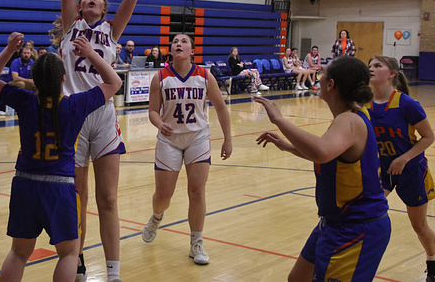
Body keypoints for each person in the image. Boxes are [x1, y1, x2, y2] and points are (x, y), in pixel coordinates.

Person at [0, 32, 122, 282]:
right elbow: (114, 83)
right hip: (60, 188)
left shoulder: (24, 100)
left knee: (18, 253)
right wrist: (90, 54)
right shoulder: (75, 104)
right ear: (64, 79)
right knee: (68, 254)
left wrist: (9, 50)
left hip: (25, 184)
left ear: (34, 80)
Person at [55, 0, 138, 282]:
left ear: (103, 9)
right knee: (78, 197)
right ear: (79, 6)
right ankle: (78, 262)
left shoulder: (111, 31)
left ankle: (113, 272)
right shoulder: (70, 25)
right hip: (72, 113)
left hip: (103, 116)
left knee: (107, 198)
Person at [255, 56, 391, 281]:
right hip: (335, 222)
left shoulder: (349, 120)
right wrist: (288, 146)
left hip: (357, 227)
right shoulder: (350, 116)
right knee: (297, 278)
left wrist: (279, 120)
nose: (318, 78)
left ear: (331, 84)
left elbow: (321, 151)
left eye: (322, 74)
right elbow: (330, 155)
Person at [142, 34, 232, 265]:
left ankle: (196, 243)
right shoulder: (160, 77)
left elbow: (221, 108)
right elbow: (152, 111)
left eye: (183, 41)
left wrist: (227, 139)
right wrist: (159, 123)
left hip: (197, 138)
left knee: (197, 191)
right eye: (175, 42)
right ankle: (157, 216)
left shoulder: (204, 75)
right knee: (163, 196)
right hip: (169, 140)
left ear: (192, 51)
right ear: (171, 50)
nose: (178, 44)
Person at [368, 55, 435, 281]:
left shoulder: (407, 104)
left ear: (391, 74)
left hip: (411, 170)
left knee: (419, 226)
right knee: (366, 213)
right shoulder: (364, 104)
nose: (371, 68)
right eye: (369, 65)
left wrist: (404, 159)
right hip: (382, 171)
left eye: (377, 65)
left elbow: (428, 137)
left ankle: (433, 261)